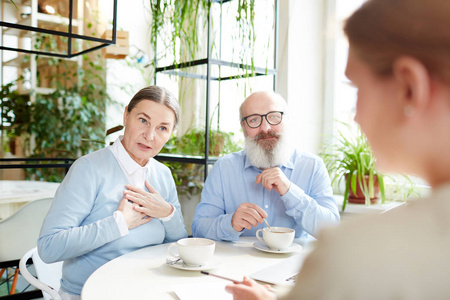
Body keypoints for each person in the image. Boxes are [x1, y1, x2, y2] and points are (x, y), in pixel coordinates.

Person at [225, 0, 450, 299]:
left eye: (358, 88)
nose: (355, 115)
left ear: (409, 87)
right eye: (254, 119)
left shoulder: (356, 255)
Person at [38, 86, 188, 299]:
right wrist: (119, 223)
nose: (149, 135)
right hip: (92, 293)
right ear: (126, 115)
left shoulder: (163, 175)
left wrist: (167, 212)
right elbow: (49, 246)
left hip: (147, 290)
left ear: (170, 134)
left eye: (162, 128)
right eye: (143, 120)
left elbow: (178, 243)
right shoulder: (88, 169)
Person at [192, 91, 340, 242]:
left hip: (294, 264)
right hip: (238, 263)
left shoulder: (312, 166)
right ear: (243, 127)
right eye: (254, 119)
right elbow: (199, 229)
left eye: (274, 117)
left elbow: (332, 231)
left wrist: (290, 191)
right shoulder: (224, 168)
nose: (266, 127)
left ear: (286, 120)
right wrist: (230, 223)